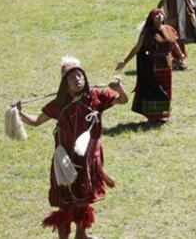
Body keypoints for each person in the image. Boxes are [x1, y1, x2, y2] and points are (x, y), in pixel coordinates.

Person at [14, 56, 128, 239]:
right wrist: (19, 113)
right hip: (65, 161)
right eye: (72, 77)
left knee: (83, 200)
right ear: (64, 83)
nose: (77, 79)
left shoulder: (95, 97)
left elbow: (123, 100)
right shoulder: (59, 104)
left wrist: (119, 88)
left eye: (79, 75)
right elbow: (36, 122)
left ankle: (81, 236)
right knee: (65, 202)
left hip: (88, 159)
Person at [114, 8, 186, 122]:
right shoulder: (147, 32)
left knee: (166, 91)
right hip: (153, 66)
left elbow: (174, 43)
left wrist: (181, 55)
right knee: (155, 90)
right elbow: (137, 47)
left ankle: (164, 114)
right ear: (151, 18)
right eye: (156, 15)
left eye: (160, 15)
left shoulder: (168, 29)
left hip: (167, 66)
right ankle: (153, 116)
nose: (159, 17)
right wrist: (125, 61)